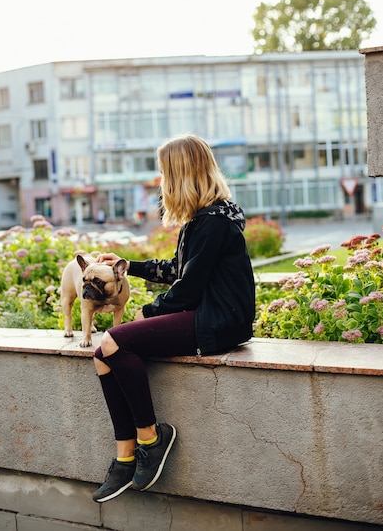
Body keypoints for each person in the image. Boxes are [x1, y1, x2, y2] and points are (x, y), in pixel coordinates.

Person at [92, 134, 255, 503]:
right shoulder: (206, 218)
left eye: (163, 172)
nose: (160, 181)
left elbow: (188, 289)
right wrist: (126, 265)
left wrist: (143, 313)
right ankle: (125, 454)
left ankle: (152, 437)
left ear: (180, 174)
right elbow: (178, 269)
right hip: (210, 314)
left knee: (115, 340)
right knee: (102, 355)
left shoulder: (213, 221)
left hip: (219, 320)